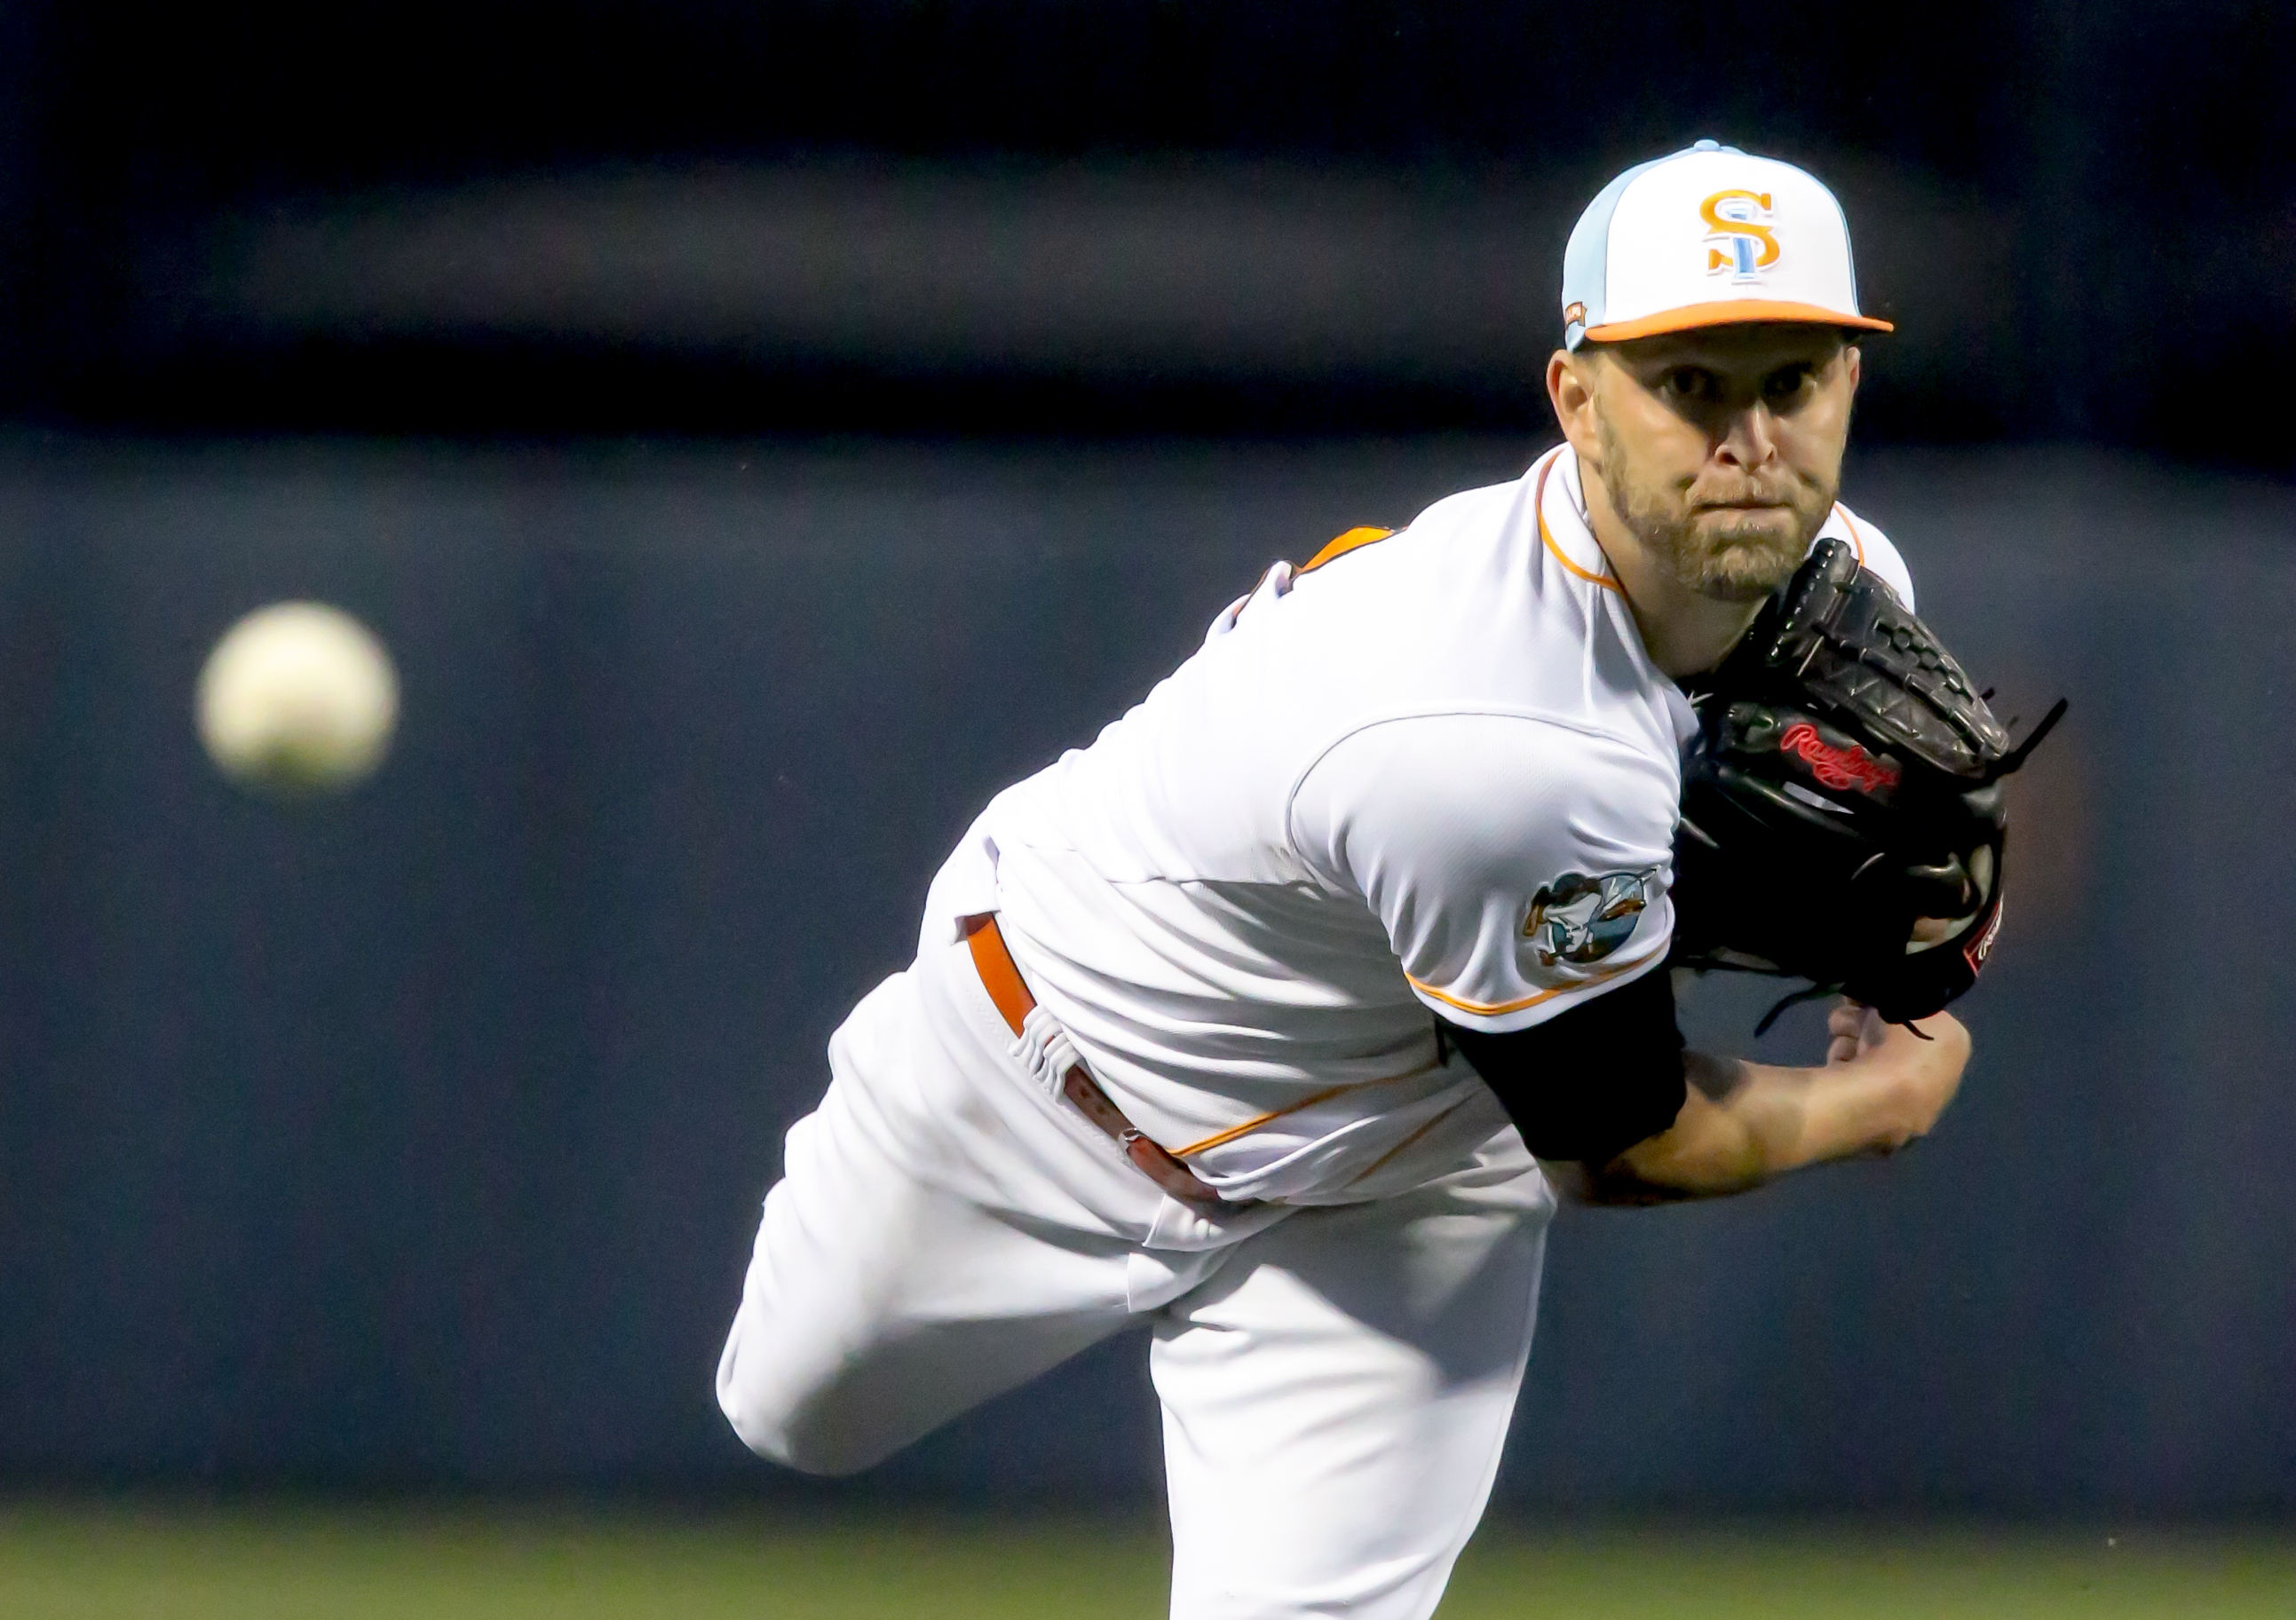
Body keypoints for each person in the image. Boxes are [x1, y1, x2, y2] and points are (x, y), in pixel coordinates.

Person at [716, 140, 1974, 1620]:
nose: (1749, 439)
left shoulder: (1846, 588)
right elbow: (1620, 1140)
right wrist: (1886, 1089)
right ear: (1574, 397)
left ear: (1848, 384)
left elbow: (1938, 825)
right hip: (1048, 1067)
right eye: (1688, 382)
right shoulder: (1493, 740)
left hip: (1408, 1168)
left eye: (1790, 379)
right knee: (787, 1409)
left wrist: (1926, 940)